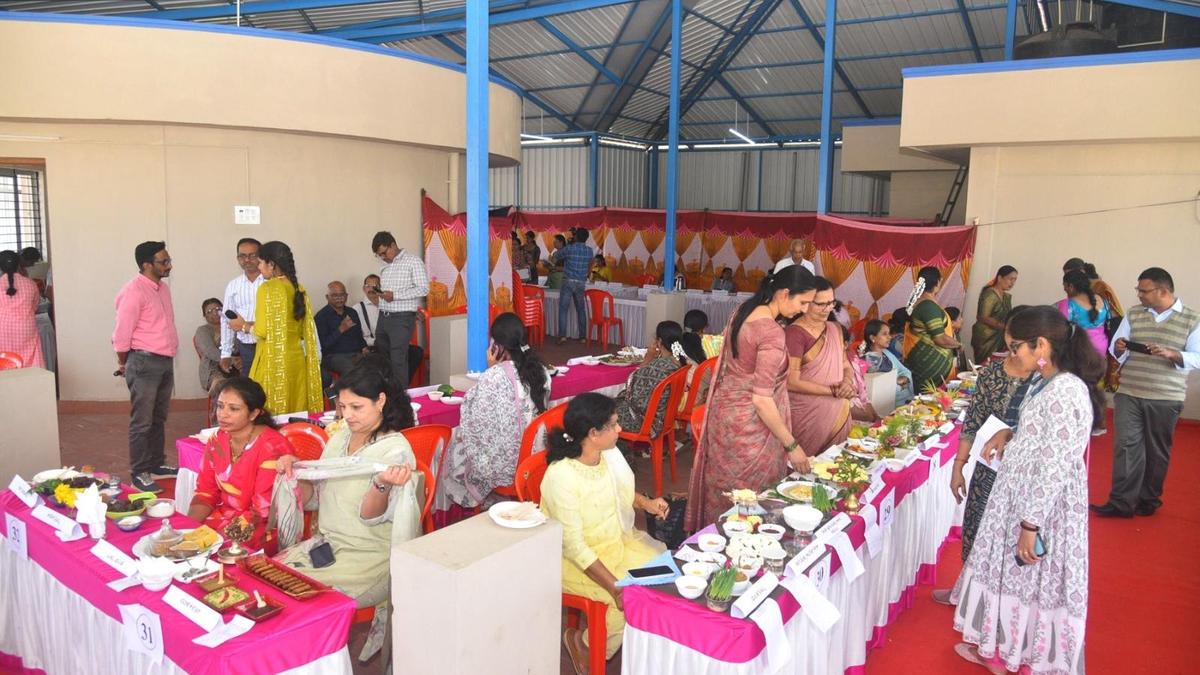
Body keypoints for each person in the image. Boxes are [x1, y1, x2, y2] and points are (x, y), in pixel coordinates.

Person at [949, 305, 1101, 675]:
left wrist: (1030, 525)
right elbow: (1041, 433)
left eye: (1017, 346)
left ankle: (1018, 656)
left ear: (1042, 344)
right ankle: (1002, 650)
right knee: (1016, 581)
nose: (1012, 354)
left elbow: (1055, 465)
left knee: (1030, 581)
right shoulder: (1045, 379)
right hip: (1020, 498)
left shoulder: (1067, 391)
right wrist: (1010, 433)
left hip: (1041, 508)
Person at [274, 362, 419, 660]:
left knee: (300, 600)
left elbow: (372, 517)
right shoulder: (340, 438)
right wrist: (294, 478)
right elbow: (316, 497)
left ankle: (313, 661)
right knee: (273, 578)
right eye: (342, 407)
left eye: (356, 407)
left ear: (380, 401)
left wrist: (381, 484)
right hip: (327, 545)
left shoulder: (395, 451)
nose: (347, 416)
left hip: (368, 556)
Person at [539, 393, 669, 672]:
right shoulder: (561, 476)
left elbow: (621, 492)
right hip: (572, 563)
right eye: (614, 424)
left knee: (662, 580)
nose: (620, 429)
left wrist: (647, 503)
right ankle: (586, 645)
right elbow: (573, 546)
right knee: (631, 601)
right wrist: (614, 586)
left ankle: (585, 643)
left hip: (614, 547)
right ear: (594, 433)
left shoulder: (605, 456)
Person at [685, 265, 818, 530]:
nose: (804, 310)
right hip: (750, 425)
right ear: (784, 293)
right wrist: (792, 446)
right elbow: (762, 399)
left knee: (724, 486)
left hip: (725, 415)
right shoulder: (771, 332)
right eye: (803, 302)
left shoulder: (743, 310)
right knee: (750, 494)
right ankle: (743, 548)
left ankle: (715, 539)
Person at [932, 328, 1036, 605]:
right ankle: (965, 590)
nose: (1014, 352)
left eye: (1020, 345)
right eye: (1011, 344)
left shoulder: (1045, 381)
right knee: (975, 525)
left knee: (1010, 535)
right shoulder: (992, 374)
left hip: (1024, 471)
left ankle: (998, 600)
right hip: (988, 463)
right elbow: (973, 421)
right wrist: (959, 467)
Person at [1092, 267, 1200, 518]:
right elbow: (1116, 350)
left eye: (1144, 290)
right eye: (1138, 290)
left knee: (1156, 450)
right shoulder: (1134, 314)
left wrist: (1174, 354)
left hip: (1166, 396)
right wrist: (1119, 347)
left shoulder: (1192, 319)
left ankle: (1148, 498)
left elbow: (1198, 357)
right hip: (1129, 391)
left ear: (1163, 291)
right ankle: (1121, 502)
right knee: (1126, 446)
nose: (1139, 294)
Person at [443, 313, 550, 508]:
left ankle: (482, 501)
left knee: (456, 447)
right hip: (535, 456)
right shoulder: (541, 371)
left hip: (506, 467)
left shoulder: (494, 377)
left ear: (496, 345)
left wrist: (492, 368)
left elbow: (474, 416)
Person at [188, 377, 289, 552]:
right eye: (220, 406)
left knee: (209, 555)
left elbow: (262, 510)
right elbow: (205, 492)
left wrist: (218, 540)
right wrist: (188, 528)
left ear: (254, 414)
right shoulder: (217, 439)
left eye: (233, 409)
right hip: (224, 519)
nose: (222, 414)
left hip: (262, 526)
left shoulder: (271, 446)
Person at [112, 241, 178, 494]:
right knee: (142, 421)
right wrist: (124, 361)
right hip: (143, 361)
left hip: (164, 360)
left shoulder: (162, 289)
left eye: (169, 260)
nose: (169, 265)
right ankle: (140, 472)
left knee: (158, 419)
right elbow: (121, 334)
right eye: (164, 262)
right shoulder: (134, 291)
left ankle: (156, 464)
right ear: (146, 265)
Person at [229, 241, 323, 414]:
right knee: (296, 411)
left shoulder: (268, 288)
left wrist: (242, 326)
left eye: (260, 262)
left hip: (274, 361)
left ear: (271, 264)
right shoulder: (298, 289)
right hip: (296, 362)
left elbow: (263, 331)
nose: (258, 267)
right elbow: (298, 327)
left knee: (271, 411)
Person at [784, 277, 855, 456]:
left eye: (831, 303)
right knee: (803, 472)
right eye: (820, 304)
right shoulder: (794, 334)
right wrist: (833, 391)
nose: (827, 309)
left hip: (837, 409)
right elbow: (791, 382)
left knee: (836, 467)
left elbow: (845, 364)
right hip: (807, 415)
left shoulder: (835, 329)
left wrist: (846, 383)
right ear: (805, 303)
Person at [372, 230, 429, 387]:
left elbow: (423, 289)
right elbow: (388, 292)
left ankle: (400, 400)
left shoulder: (413, 261)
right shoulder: (384, 266)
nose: (383, 257)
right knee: (383, 358)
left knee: (398, 359)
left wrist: (395, 295)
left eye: (384, 253)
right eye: (379, 255)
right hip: (383, 316)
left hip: (401, 318)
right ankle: (387, 394)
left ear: (393, 245)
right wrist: (380, 292)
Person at [615, 321, 686, 437]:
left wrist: (648, 358)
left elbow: (632, 389)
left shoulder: (659, 366)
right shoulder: (679, 362)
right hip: (663, 419)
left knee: (602, 412)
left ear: (659, 341)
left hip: (645, 423)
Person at [903, 266, 961, 392]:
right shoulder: (928, 307)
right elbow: (940, 339)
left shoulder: (919, 302)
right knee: (929, 400)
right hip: (929, 365)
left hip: (922, 360)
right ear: (938, 283)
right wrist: (958, 345)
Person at [219, 238, 265, 378]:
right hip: (246, 347)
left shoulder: (271, 283)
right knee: (249, 390)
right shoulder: (233, 285)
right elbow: (227, 320)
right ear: (238, 258)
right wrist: (226, 353)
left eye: (252, 255)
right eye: (243, 256)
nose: (247, 260)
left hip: (268, 345)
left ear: (261, 257)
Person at [314, 281, 368, 391]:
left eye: (342, 295)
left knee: (377, 364)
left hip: (355, 353)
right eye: (335, 295)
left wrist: (364, 347)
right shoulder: (321, 317)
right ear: (327, 297)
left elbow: (359, 334)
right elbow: (322, 346)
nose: (339, 298)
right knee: (350, 369)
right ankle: (352, 400)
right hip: (333, 356)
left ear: (346, 296)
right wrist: (340, 330)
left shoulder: (352, 312)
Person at [0, 249, 44, 368]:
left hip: (2, 330)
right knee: (29, 360)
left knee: (5, 363)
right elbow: (35, 307)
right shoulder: (31, 284)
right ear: (18, 264)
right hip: (26, 328)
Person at [1057, 269, 1109, 360]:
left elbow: (1061, 331)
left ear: (1071, 286)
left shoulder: (1068, 304)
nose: (1064, 289)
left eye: (1065, 286)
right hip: (1102, 348)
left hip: (1079, 350)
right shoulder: (1102, 300)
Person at [553, 228, 593, 345]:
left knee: (563, 309)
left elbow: (556, 255)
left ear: (575, 237)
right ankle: (582, 337)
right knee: (581, 309)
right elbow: (590, 263)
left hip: (568, 281)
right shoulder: (589, 251)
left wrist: (568, 244)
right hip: (581, 282)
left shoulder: (570, 248)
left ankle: (563, 336)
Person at [970, 265, 1018, 363]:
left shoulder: (1006, 297)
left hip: (1000, 337)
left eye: (1015, 280)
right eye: (1010, 279)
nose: (1012, 283)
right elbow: (983, 317)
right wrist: (1004, 327)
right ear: (1000, 278)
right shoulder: (989, 294)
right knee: (984, 365)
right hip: (986, 338)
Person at [860, 319, 914, 406]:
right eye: (885, 334)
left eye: (889, 333)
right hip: (887, 407)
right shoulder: (868, 360)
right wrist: (896, 382)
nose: (890, 337)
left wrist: (904, 378)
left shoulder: (886, 353)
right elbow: (875, 387)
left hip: (905, 402)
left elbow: (904, 371)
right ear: (872, 338)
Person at [194, 298, 235, 399]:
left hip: (236, 367)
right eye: (209, 311)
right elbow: (210, 351)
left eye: (217, 309)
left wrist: (239, 360)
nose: (215, 313)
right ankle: (220, 411)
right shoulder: (203, 331)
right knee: (224, 386)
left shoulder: (233, 325)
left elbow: (240, 347)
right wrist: (231, 360)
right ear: (205, 316)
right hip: (213, 369)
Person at [357, 274, 382, 348]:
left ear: (381, 287)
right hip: (371, 349)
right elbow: (356, 336)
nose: (371, 289)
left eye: (375, 286)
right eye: (368, 286)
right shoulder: (357, 309)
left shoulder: (389, 306)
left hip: (391, 347)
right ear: (364, 288)